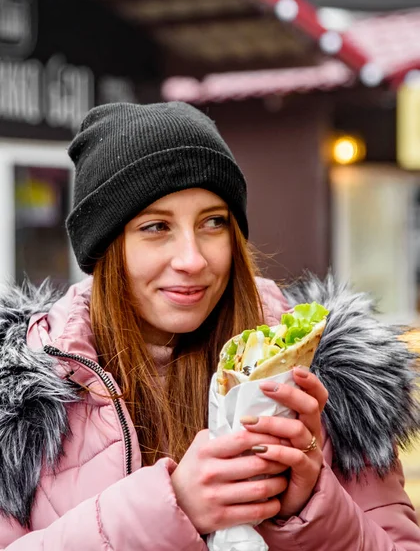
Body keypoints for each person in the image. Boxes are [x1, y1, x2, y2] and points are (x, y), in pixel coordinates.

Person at [0, 101, 419, 551]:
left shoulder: (331, 374)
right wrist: (169, 508)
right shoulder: (23, 403)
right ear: (105, 250)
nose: (193, 260)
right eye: (156, 227)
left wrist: (309, 508)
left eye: (213, 222)